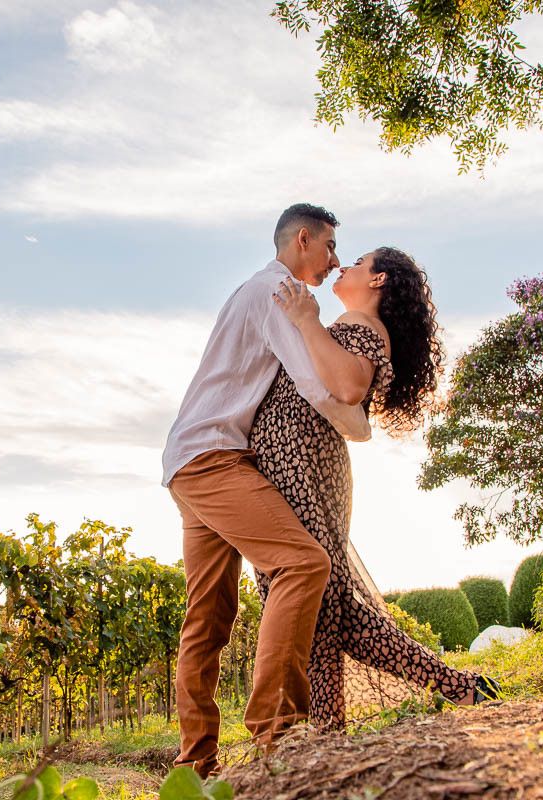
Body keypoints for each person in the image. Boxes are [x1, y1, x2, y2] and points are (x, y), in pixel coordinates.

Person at [250, 246, 501, 731]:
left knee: (313, 603)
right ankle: (444, 690)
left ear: (379, 279)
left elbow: (347, 385)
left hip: (302, 461)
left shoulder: (363, 328)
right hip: (299, 461)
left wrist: (306, 321)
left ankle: (327, 731)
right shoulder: (356, 327)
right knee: (323, 605)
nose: (344, 265)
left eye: (359, 262)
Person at [161, 204, 372, 778]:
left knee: (207, 617)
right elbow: (316, 385)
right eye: (329, 247)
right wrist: (361, 425)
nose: (333, 262)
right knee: (304, 563)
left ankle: (195, 765)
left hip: (188, 457)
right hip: (213, 458)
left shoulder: (249, 290)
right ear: (302, 240)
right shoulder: (278, 291)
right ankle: (279, 736)